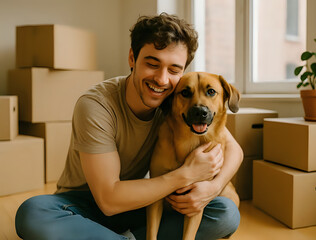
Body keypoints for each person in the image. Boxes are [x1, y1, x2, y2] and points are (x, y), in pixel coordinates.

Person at [15, 13, 243, 240]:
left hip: (140, 201)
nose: (162, 80)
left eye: (174, 70)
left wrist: (212, 189)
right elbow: (108, 200)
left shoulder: (177, 103)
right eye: (152, 64)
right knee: (33, 212)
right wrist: (186, 175)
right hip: (85, 205)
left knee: (225, 212)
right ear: (132, 58)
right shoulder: (96, 105)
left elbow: (234, 149)